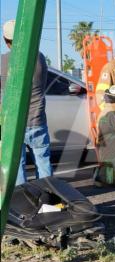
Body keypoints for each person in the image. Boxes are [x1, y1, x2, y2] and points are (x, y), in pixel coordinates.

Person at [0, 20, 52, 185]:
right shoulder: (39, 57)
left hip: (13, 124)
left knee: (17, 166)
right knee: (43, 163)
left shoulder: (2, 61)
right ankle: (47, 200)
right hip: (37, 120)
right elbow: (42, 85)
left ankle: (23, 203)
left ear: (6, 41)